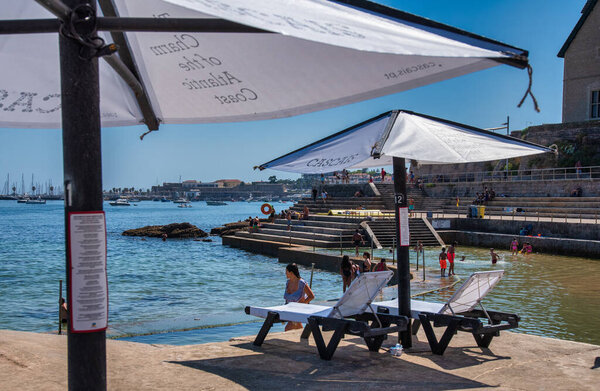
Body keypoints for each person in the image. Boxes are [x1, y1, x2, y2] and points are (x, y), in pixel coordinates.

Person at [283, 263, 314, 331]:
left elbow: (311, 296)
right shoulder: (288, 282)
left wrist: (302, 305)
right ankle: (303, 336)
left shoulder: (302, 283)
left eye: (286, 272)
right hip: (289, 309)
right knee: (297, 327)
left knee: (287, 328)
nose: (285, 274)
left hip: (299, 310)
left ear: (291, 273)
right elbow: (287, 299)